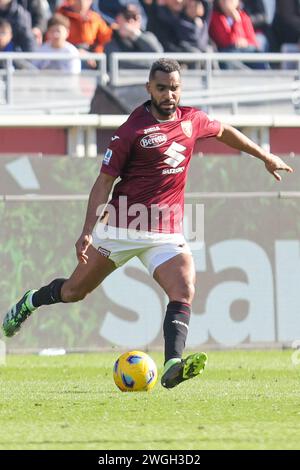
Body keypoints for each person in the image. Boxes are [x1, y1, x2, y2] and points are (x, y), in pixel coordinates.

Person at [2, 58, 293, 389]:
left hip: (165, 233)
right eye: (162, 88)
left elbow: (225, 131)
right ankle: (30, 301)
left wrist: (265, 157)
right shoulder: (132, 131)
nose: (169, 94)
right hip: (122, 228)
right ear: (148, 89)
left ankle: (173, 363)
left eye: (175, 88)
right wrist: (87, 231)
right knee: (73, 291)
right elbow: (103, 183)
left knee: (183, 289)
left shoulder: (192, 120)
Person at [104, 3, 163, 68]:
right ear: (118, 18)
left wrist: (136, 35)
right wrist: (150, 63)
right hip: (124, 77)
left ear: (139, 20)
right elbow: (118, 62)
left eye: (134, 17)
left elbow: (159, 55)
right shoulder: (111, 39)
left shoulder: (148, 36)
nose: (131, 21)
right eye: (127, 16)